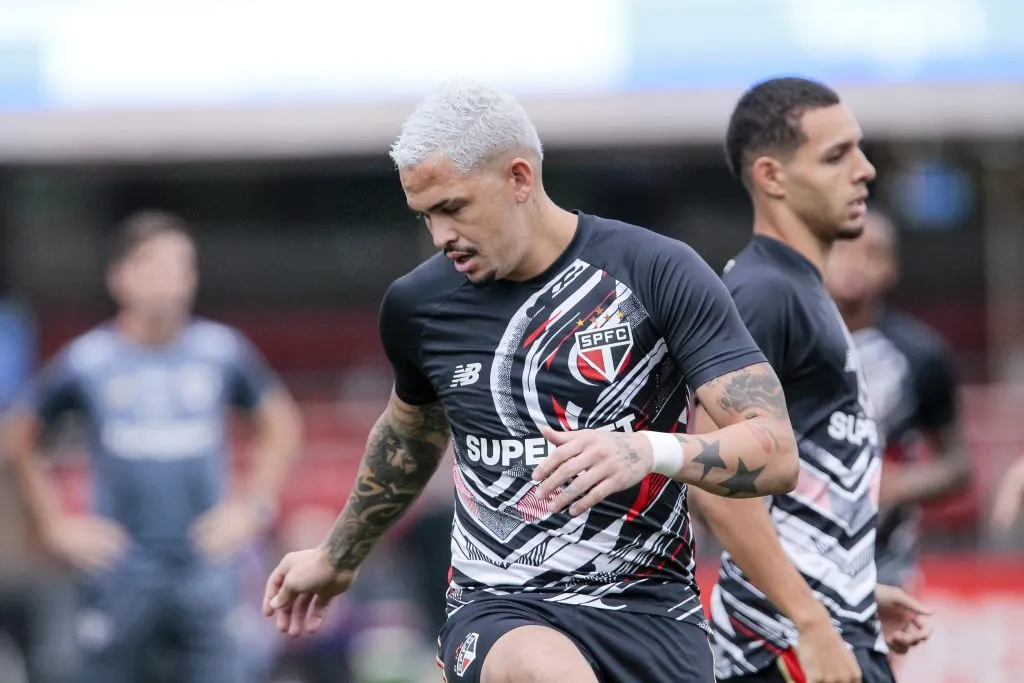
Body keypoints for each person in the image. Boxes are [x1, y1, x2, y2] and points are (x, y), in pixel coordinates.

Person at [263, 80, 802, 683]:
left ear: (520, 178)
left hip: (653, 610)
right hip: (500, 606)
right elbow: (410, 436)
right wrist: (338, 557)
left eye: (454, 208)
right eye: (426, 215)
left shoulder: (657, 273)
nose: (440, 236)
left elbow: (775, 452)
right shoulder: (419, 306)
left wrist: (646, 449)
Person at [689, 77, 932, 683]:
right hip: (788, 650)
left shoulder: (801, 289)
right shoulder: (766, 292)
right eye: (836, 156)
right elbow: (712, 476)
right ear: (772, 176)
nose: (866, 170)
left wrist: (850, 590)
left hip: (831, 622)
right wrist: (810, 621)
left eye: (860, 149)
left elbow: (810, 481)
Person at [3, 210, 303, 683]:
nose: (167, 280)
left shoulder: (221, 352)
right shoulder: (88, 361)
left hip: (205, 568)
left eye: (179, 267)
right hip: (120, 570)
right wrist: (55, 525)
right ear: (119, 277)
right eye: (152, 266)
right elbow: (20, 438)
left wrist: (252, 507)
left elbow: (281, 423)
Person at [826, 209, 972, 590]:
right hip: (794, 557)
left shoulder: (921, 353)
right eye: (842, 248)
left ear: (891, 267)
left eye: (871, 252)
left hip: (886, 563)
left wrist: (899, 485)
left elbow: (958, 466)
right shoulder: (782, 340)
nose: (855, 262)